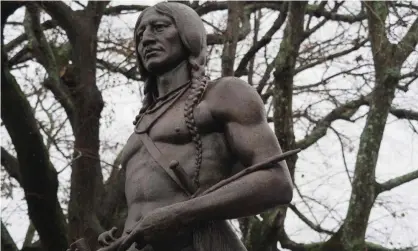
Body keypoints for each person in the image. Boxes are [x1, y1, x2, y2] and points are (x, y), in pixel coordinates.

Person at [97, 2, 294, 251]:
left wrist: (180, 214)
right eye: (140, 34)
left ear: (188, 35)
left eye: (159, 27)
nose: (146, 39)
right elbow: (147, 204)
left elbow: (277, 182)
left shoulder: (224, 94)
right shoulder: (141, 125)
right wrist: (121, 235)